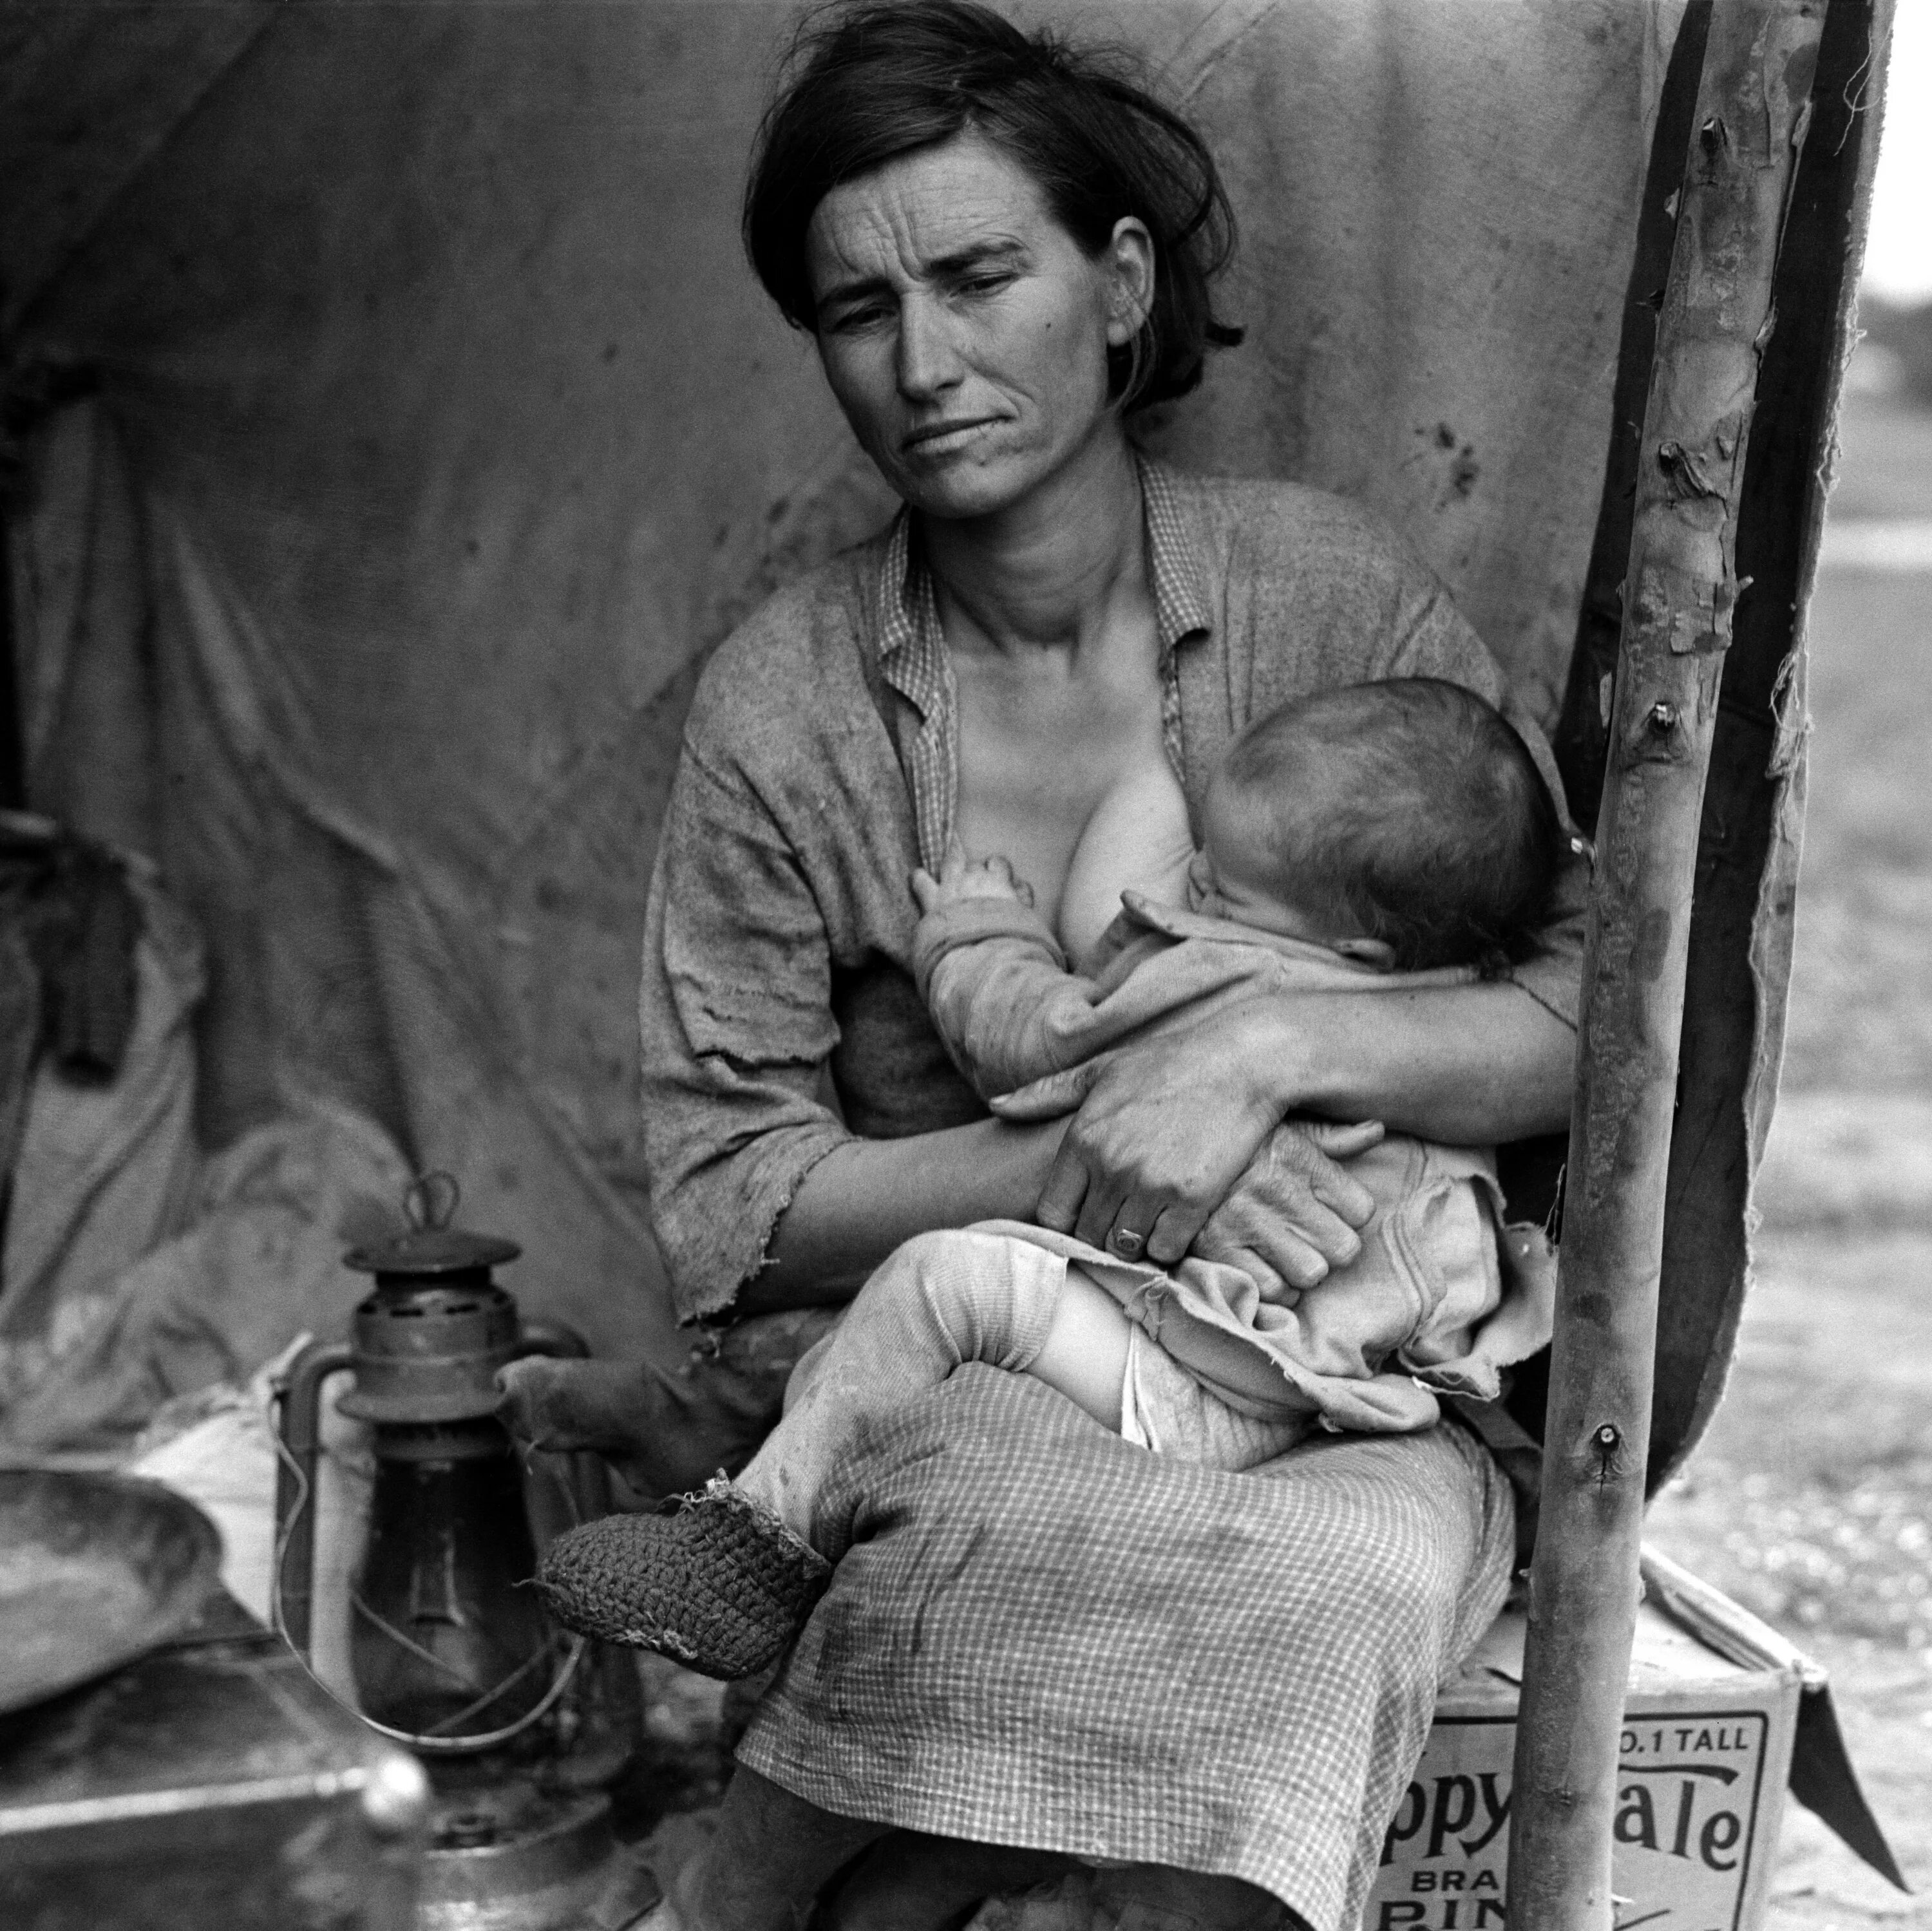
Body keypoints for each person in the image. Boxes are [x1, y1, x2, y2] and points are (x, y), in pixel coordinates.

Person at [498, 5, 1586, 1926]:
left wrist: (1251, 1060)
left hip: (1355, 1392)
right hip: (1007, 1364)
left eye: (980, 274)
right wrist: (1115, 1156)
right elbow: (730, 1206)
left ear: (1118, 282)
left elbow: (1590, 1019)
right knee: (990, 1525)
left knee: (1325, 1611)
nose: (924, 363)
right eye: (858, 310)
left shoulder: (1325, 600)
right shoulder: (789, 704)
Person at [533, 677, 1565, 1682]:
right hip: (1326, 1376)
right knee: (936, 1340)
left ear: (1353, 946)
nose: (1189, 885)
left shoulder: (1236, 975)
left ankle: (749, 1556)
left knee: (945, 1283)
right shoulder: (1446, 1004)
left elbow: (1040, 1041)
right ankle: (732, 1444)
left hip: (1214, 1384)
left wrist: (981, 932)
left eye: (1218, 886)